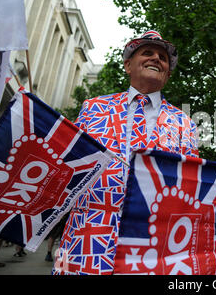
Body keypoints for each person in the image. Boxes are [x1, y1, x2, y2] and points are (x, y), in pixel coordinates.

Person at [53, 30, 198, 275]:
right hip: (87, 238)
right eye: (147, 53)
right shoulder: (94, 108)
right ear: (128, 65)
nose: (155, 59)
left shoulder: (185, 123)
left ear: (168, 73)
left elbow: (189, 187)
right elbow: (66, 166)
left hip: (150, 246)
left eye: (162, 57)